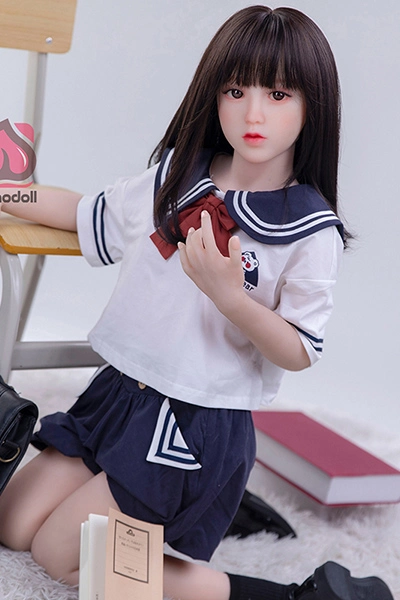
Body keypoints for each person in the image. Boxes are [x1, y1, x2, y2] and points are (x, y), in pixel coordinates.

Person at [0, 5, 394, 600]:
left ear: (313, 105)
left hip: (193, 423)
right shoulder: (177, 174)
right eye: (236, 91)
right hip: (119, 395)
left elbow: (299, 349)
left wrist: (231, 298)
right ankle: (199, 509)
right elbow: (85, 214)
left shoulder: (309, 231)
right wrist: (10, 192)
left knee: (62, 556)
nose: (253, 114)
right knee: (12, 523)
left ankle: (294, 594)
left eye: (278, 94)